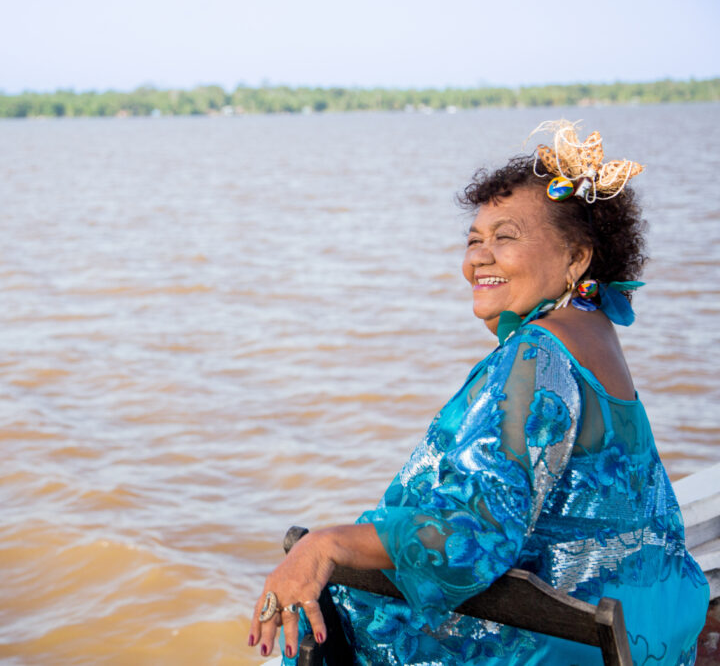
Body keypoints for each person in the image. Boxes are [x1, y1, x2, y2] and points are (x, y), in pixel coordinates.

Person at [247, 121, 710, 665]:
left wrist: (325, 543)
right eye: (473, 240)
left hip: (573, 644)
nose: (478, 258)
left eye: (505, 236)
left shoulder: (537, 353)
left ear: (576, 258)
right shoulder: (592, 334)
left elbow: (477, 534)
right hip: (650, 627)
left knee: (340, 614)